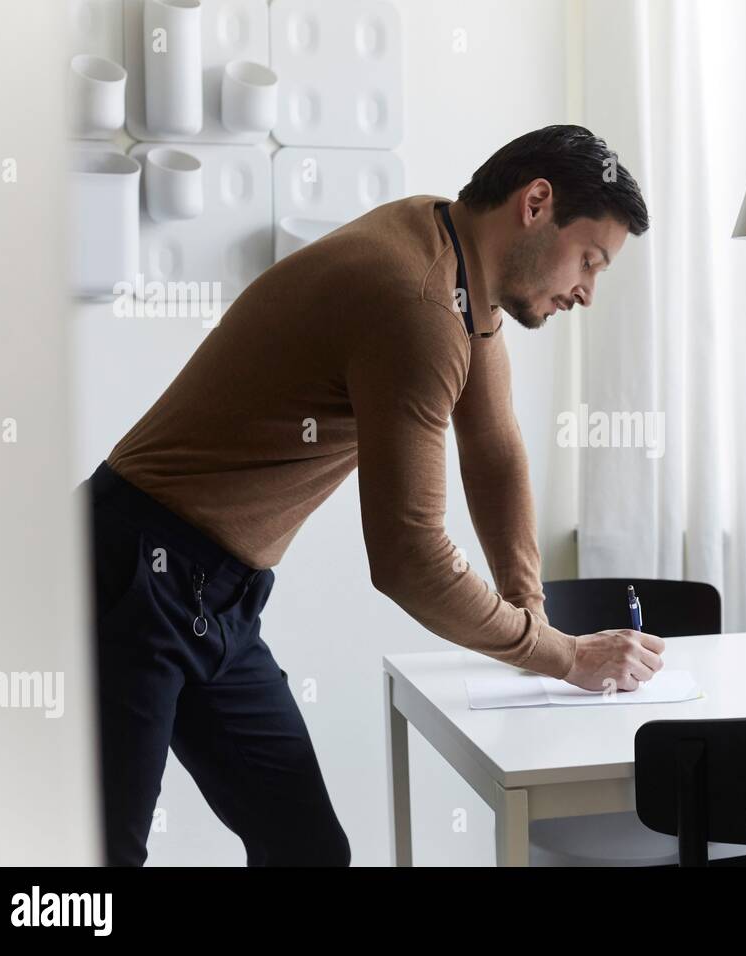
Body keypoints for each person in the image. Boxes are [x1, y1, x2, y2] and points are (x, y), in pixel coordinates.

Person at [81, 125, 663, 865]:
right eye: (590, 259)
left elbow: (493, 449)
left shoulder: (451, 255)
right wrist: (560, 656)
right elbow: (408, 558)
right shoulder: (415, 302)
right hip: (129, 571)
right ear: (537, 203)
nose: (586, 289)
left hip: (216, 594)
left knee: (308, 852)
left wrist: (532, 618)